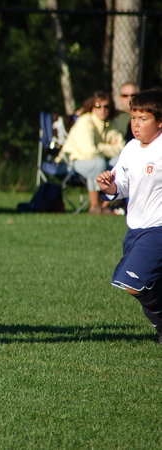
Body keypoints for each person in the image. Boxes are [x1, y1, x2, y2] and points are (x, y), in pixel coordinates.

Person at [96, 88, 162, 344]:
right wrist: (108, 185)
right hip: (135, 229)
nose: (136, 124)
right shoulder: (132, 148)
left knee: (134, 283)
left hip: (158, 228)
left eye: (143, 119)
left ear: (159, 121)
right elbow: (121, 186)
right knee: (146, 284)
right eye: (133, 118)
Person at [58, 90, 125, 214]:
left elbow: (121, 150)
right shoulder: (85, 121)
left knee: (121, 162)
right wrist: (108, 147)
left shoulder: (112, 123)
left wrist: (99, 147)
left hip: (98, 160)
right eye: (98, 106)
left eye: (106, 106)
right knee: (98, 164)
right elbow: (90, 152)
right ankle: (94, 206)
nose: (102, 110)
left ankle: (105, 205)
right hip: (72, 162)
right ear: (92, 107)